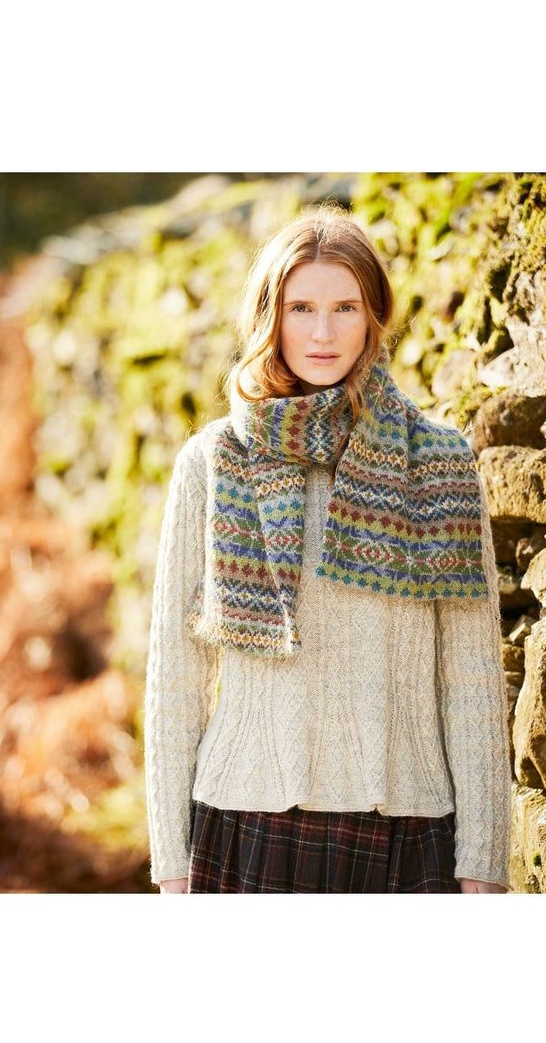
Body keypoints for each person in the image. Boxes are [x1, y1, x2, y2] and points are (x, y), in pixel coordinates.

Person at [143, 204, 511, 894]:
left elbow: (470, 678)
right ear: (268, 318)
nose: (321, 332)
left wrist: (484, 860)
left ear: (374, 316)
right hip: (245, 825)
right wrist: (170, 866)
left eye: (344, 307)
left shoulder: (438, 464)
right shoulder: (215, 462)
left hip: (406, 828)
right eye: (300, 308)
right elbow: (176, 678)